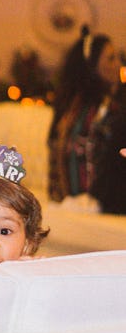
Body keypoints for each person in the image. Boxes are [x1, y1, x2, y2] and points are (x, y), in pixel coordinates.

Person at [48, 26, 126, 213]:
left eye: (118, 58)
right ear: (91, 65)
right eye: (110, 58)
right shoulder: (69, 108)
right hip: (77, 200)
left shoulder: (117, 103)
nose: (118, 65)